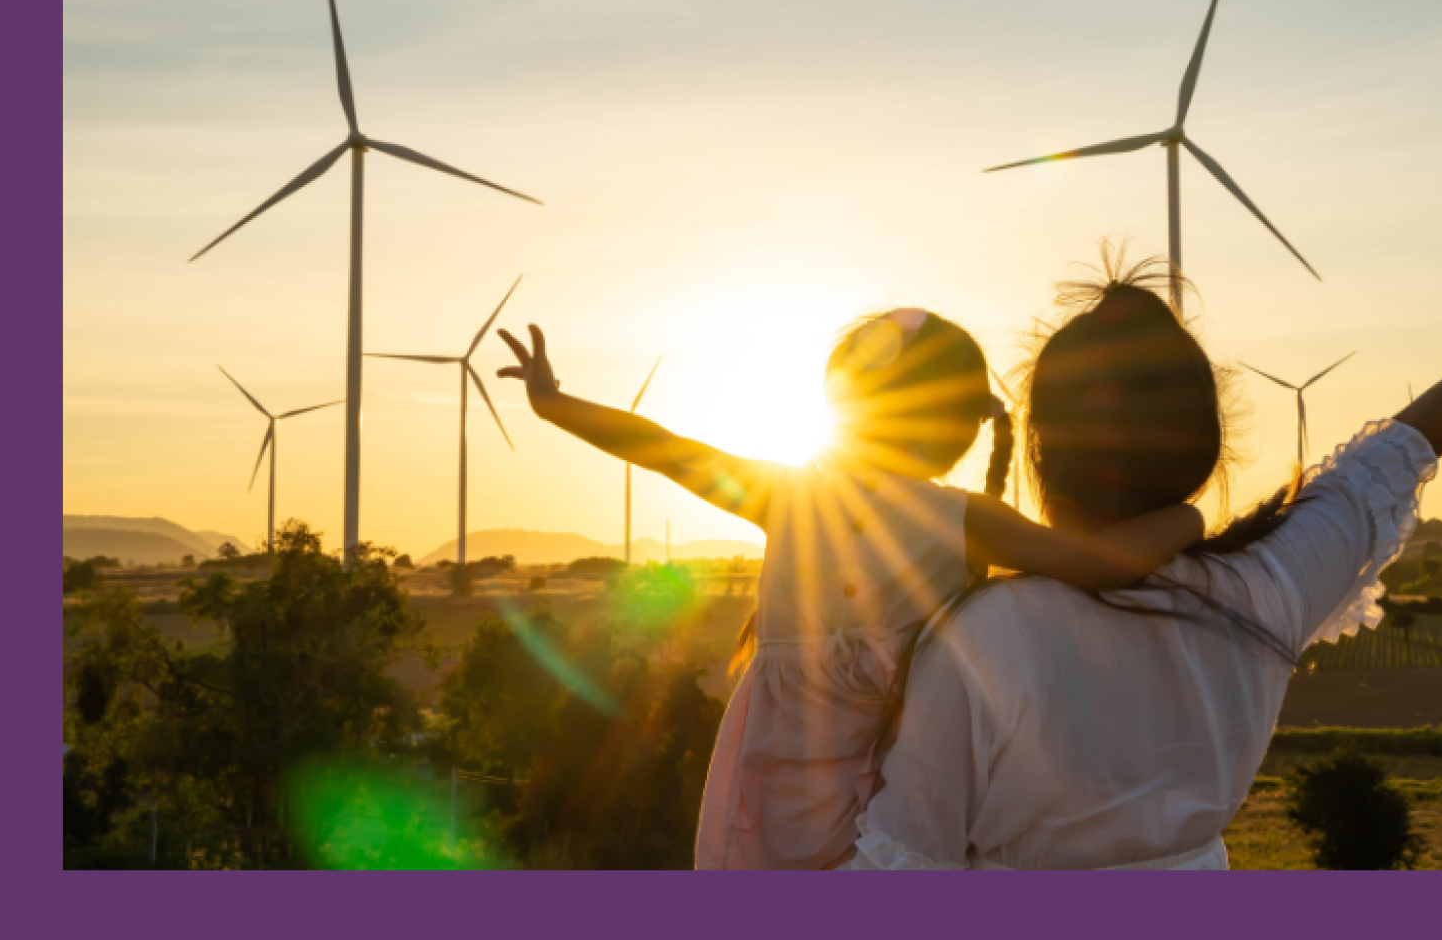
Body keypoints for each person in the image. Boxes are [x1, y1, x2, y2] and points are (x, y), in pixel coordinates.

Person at [844, 234, 1442, 870]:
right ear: (1203, 447)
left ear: (1041, 451)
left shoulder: (981, 639)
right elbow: (1410, 441)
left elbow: (906, 867)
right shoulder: (1264, 588)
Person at [495, 307, 1205, 869]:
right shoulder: (961, 519)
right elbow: (1098, 563)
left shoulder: (788, 494)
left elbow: (662, 450)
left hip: (782, 770)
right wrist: (1186, 516)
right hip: (888, 780)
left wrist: (554, 404)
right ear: (956, 425)